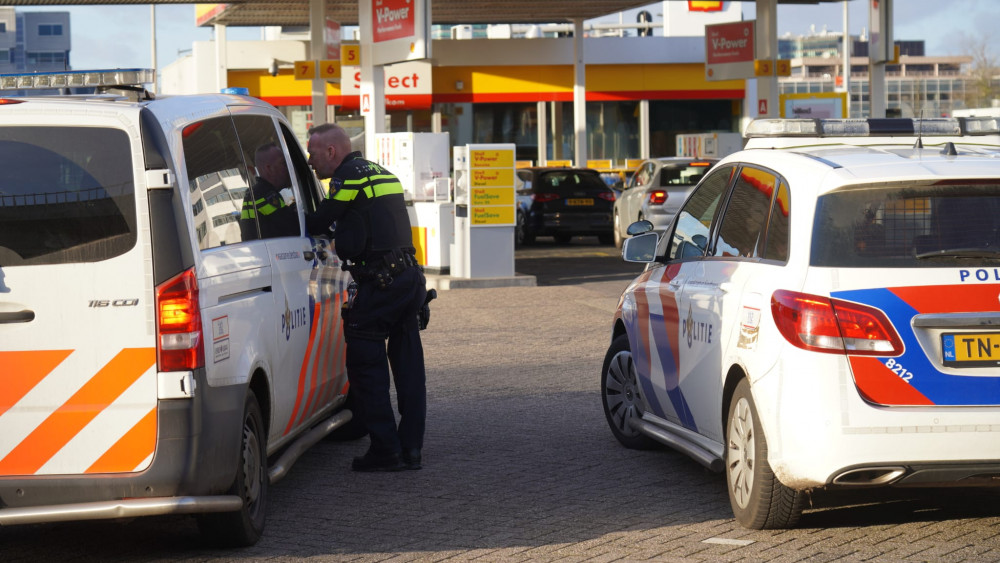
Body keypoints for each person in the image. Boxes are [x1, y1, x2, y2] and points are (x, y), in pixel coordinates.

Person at [305, 123, 428, 472]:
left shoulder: (348, 177)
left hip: (380, 284)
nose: (311, 162)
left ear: (331, 151)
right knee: (409, 368)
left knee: (365, 364)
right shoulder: (383, 173)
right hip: (408, 279)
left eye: (312, 154)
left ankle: (385, 450)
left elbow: (318, 221)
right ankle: (412, 448)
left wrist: (286, 207)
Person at [240, 143, 298, 240]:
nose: (288, 168)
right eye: (283, 163)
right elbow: (292, 226)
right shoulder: (263, 194)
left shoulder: (259, 192)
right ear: (269, 168)